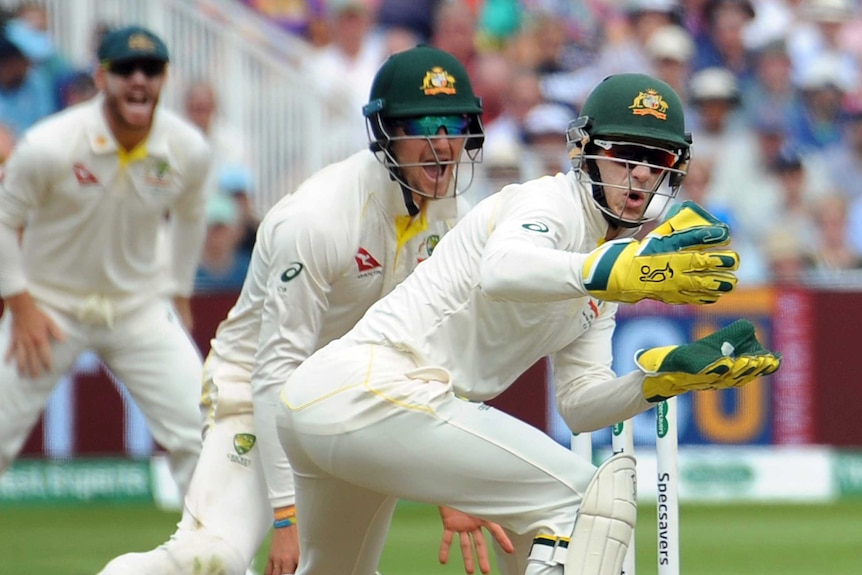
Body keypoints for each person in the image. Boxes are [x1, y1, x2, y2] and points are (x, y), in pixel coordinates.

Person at [275, 73, 782, 575]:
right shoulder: (550, 203)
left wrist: (656, 383)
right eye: (626, 153)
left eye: (658, 160)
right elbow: (503, 269)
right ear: (586, 152)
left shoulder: (607, 268)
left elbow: (580, 404)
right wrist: (614, 270)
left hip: (344, 407)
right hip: (371, 386)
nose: (642, 173)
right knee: (589, 501)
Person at [97, 45, 507, 575]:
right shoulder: (317, 219)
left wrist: (450, 483)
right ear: (384, 132)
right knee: (210, 559)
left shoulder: (456, 219)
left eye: (455, 125)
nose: (442, 145)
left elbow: (440, 352)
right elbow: (274, 370)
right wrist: (286, 516)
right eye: (424, 124)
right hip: (254, 392)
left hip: (355, 405)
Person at [0, 25, 210, 501]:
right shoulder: (51, 143)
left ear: (165, 78)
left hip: (138, 307)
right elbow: (4, 219)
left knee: (204, 436)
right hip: (49, 307)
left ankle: (218, 560)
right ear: (101, 76)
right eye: (125, 70)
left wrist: (178, 288)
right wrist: (22, 305)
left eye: (151, 70)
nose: (139, 80)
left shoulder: (187, 149)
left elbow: (192, 216)